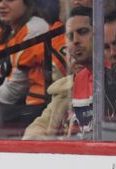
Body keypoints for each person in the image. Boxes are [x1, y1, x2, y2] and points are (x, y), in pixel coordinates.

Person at [0, 0, 66, 127]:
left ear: (27, 3)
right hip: (10, 104)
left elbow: (15, 88)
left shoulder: (35, 28)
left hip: (37, 108)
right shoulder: (3, 33)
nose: (2, 5)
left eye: (9, 0)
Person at [23, 6, 93, 139]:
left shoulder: (111, 85)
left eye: (83, 32)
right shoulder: (63, 89)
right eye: (70, 36)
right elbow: (35, 130)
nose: (76, 40)